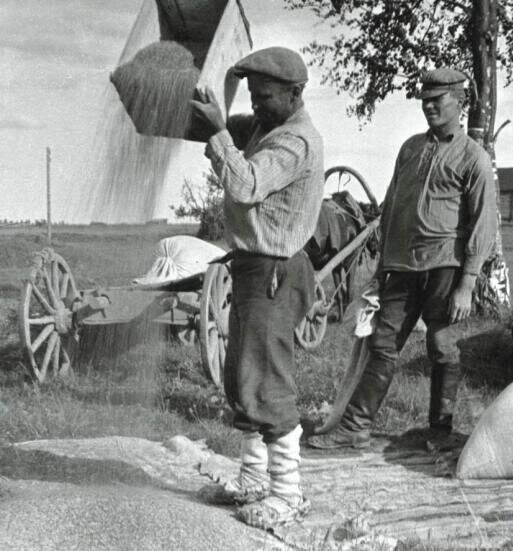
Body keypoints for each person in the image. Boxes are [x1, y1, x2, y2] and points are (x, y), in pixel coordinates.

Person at [307, 67, 497, 450]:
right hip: (402, 267)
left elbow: (483, 224)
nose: (429, 107)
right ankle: (356, 427)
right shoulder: (410, 149)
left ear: (459, 103)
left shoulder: (474, 159)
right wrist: (381, 269)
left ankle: (440, 434)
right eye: (424, 101)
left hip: (446, 266)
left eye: (437, 100)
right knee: (382, 342)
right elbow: (391, 208)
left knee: (442, 347)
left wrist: (467, 283)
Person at [190, 46, 324, 529]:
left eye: (265, 96)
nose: (258, 104)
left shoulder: (296, 142)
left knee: (268, 379)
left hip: (274, 271)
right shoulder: (269, 128)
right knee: (242, 376)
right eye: (252, 95)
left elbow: (245, 185)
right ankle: (253, 477)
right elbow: (229, 149)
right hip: (251, 266)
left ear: (295, 93)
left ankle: (287, 495)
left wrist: (219, 132)